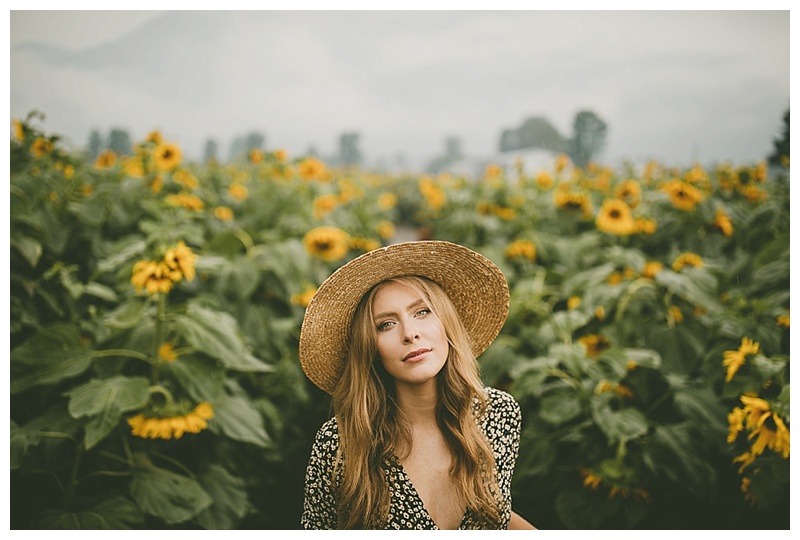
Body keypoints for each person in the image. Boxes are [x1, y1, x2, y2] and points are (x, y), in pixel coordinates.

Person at [298, 240, 536, 530]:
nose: (410, 334)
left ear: (446, 321)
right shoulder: (341, 442)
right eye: (386, 324)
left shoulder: (497, 413)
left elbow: (495, 511)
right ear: (369, 348)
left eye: (422, 312)